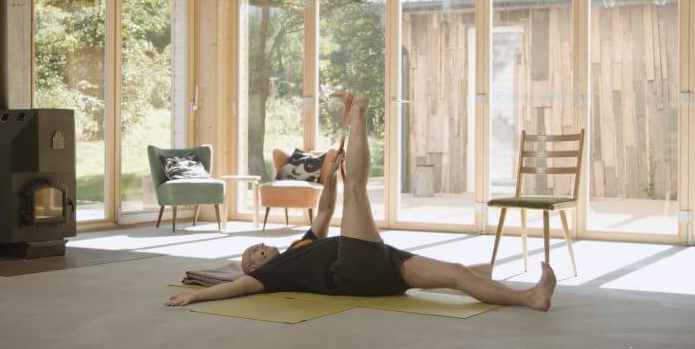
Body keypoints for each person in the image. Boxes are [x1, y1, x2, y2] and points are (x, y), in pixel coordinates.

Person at [166, 93, 556, 311]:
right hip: (350, 270)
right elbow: (237, 289)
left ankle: (530, 297)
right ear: (254, 266)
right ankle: (361, 115)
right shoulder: (269, 276)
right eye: (255, 252)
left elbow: (325, 209)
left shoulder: (301, 245)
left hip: (377, 266)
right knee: (357, 189)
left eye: (259, 245)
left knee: (457, 272)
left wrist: (333, 173)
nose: (262, 247)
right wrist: (196, 295)